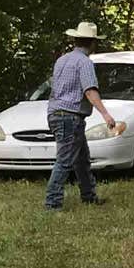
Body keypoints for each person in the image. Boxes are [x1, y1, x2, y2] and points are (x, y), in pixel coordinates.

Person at [44, 19, 120, 210]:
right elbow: (89, 91)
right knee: (65, 160)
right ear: (93, 43)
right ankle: (52, 203)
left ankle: (89, 196)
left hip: (55, 113)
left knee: (81, 159)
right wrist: (106, 115)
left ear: (76, 40)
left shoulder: (61, 60)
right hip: (70, 116)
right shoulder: (85, 63)